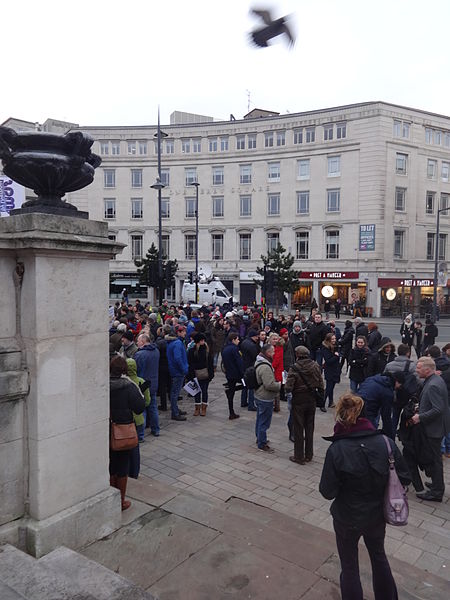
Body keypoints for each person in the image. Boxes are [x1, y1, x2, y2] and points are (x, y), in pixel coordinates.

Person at [319, 393, 410, 600]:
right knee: (379, 557)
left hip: (347, 517)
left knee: (349, 566)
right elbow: (405, 477)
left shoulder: (337, 449)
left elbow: (327, 491)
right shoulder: (386, 442)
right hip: (377, 515)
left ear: (340, 417)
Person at [109, 356, 145, 511]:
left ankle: (109, 497)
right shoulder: (129, 386)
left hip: (107, 429)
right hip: (124, 430)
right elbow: (139, 407)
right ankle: (120, 501)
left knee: (110, 464)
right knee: (122, 464)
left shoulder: (104, 385)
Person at [412, 357, 450, 501]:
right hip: (436, 427)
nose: (416, 370)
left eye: (419, 368)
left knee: (435, 460)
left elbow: (438, 409)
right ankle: (436, 484)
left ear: (427, 370)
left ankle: (437, 492)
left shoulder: (433, 385)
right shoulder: (434, 380)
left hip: (434, 429)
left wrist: (420, 417)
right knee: (434, 459)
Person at [285, 346, 324, 464]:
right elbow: (321, 384)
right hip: (311, 399)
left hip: (299, 399)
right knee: (309, 427)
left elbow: (288, 387)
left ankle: (299, 456)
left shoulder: (294, 368)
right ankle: (309, 454)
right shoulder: (315, 365)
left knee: (298, 428)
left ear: (297, 355)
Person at [254, 344, 281, 452]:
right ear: (268, 353)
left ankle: (259, 438)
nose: (274, 353)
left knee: (260, 418)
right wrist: (280, 385)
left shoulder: (259, 361)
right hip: (265, 397)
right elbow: (269, 384)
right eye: (273, 351)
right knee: (264, 421)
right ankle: (262, 443)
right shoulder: (265, 366)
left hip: (259, 395)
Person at [134, 333, 160, 437]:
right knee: (153, 408)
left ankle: (140, 434)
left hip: (143, 384)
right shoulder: (156, 351)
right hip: (153, 383)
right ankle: (156, 429)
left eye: (138, 341)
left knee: (142, 409)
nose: (137, 343)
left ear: (143, 342)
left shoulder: (140, 354)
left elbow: (136, 370)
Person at [358, 372, 396, 439]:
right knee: (370, 433)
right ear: (397, 382)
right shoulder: (387, 391)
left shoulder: (371, 379)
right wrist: (390, 437)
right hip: (368, 411)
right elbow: (386, 415)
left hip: (357, 406)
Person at [187, 332, 214, 416]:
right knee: (196, 392)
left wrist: (211, 374)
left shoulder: (207, 351)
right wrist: (190, 375)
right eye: (201, 340)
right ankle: (197, 408)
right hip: (195, 374)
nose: (203, 342)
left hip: (205, 374)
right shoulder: (192, 351)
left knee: (204, 391)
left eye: (203, 340)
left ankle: (203, 408)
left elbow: (210, 363)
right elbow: (190, 364)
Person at [166, 325, 189, 421]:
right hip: (177, 371)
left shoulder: (173, 342)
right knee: (175, 392)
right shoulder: (177, 343)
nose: (185, 333)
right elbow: (178, 358)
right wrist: (184, 369)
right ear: (178, 332)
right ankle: (175, 413)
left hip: (174, 370)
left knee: (174, 392)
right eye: (183, 331)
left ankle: (175, 409)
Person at [221, 333, 244, 420]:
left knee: (231, 393)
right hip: (236, 373)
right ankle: (231, 412)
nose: (238, 341)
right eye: (237, 339)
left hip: (229, 373)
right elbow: (239, 362)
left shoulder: (225, 348)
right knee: (246, 385)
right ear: (233, 340)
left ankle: (231, 412)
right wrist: (242, 373)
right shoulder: (235, 349)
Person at [240, 328, 260, 411]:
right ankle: (251, 405)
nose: (257, 338)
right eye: (256, 337)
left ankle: (243, 401)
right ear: (253, 336)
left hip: (244, 366)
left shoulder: (244, 342)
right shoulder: (252, 345)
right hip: (250, 367)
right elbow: (255, 357)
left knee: (245, 385)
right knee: (251, 386)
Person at [322, 333, 340, 410]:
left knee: (332, 386)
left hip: (335, 369)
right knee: (329, 387)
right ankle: (322, 403)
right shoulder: (325, 348)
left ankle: (330, 402)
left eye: (335, 339)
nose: (334, 340)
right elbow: (328, 360)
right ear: (328, 340)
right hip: (329, 370)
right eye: (332, 339)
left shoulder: (335, 346)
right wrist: (336, 356)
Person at [268, 332, 284, 412]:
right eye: (273, 339)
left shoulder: (279, 348)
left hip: (276, 371)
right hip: (271, 370)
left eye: (276, 339)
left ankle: (276, 406)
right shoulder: (268, 347)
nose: (275, 340)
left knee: (276, 389)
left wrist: (270, 367)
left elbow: (276, 361)